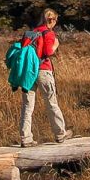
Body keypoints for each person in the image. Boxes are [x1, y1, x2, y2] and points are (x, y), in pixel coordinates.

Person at [19, 8, 73, 147]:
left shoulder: (33, 32)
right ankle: (60, 134)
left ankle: (26, 138)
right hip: (43, 71)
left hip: (28, 72)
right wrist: (56, 44)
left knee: (27, 106)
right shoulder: (48, 33)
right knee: (51, 102)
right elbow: (48, 52)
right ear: (52, 20)